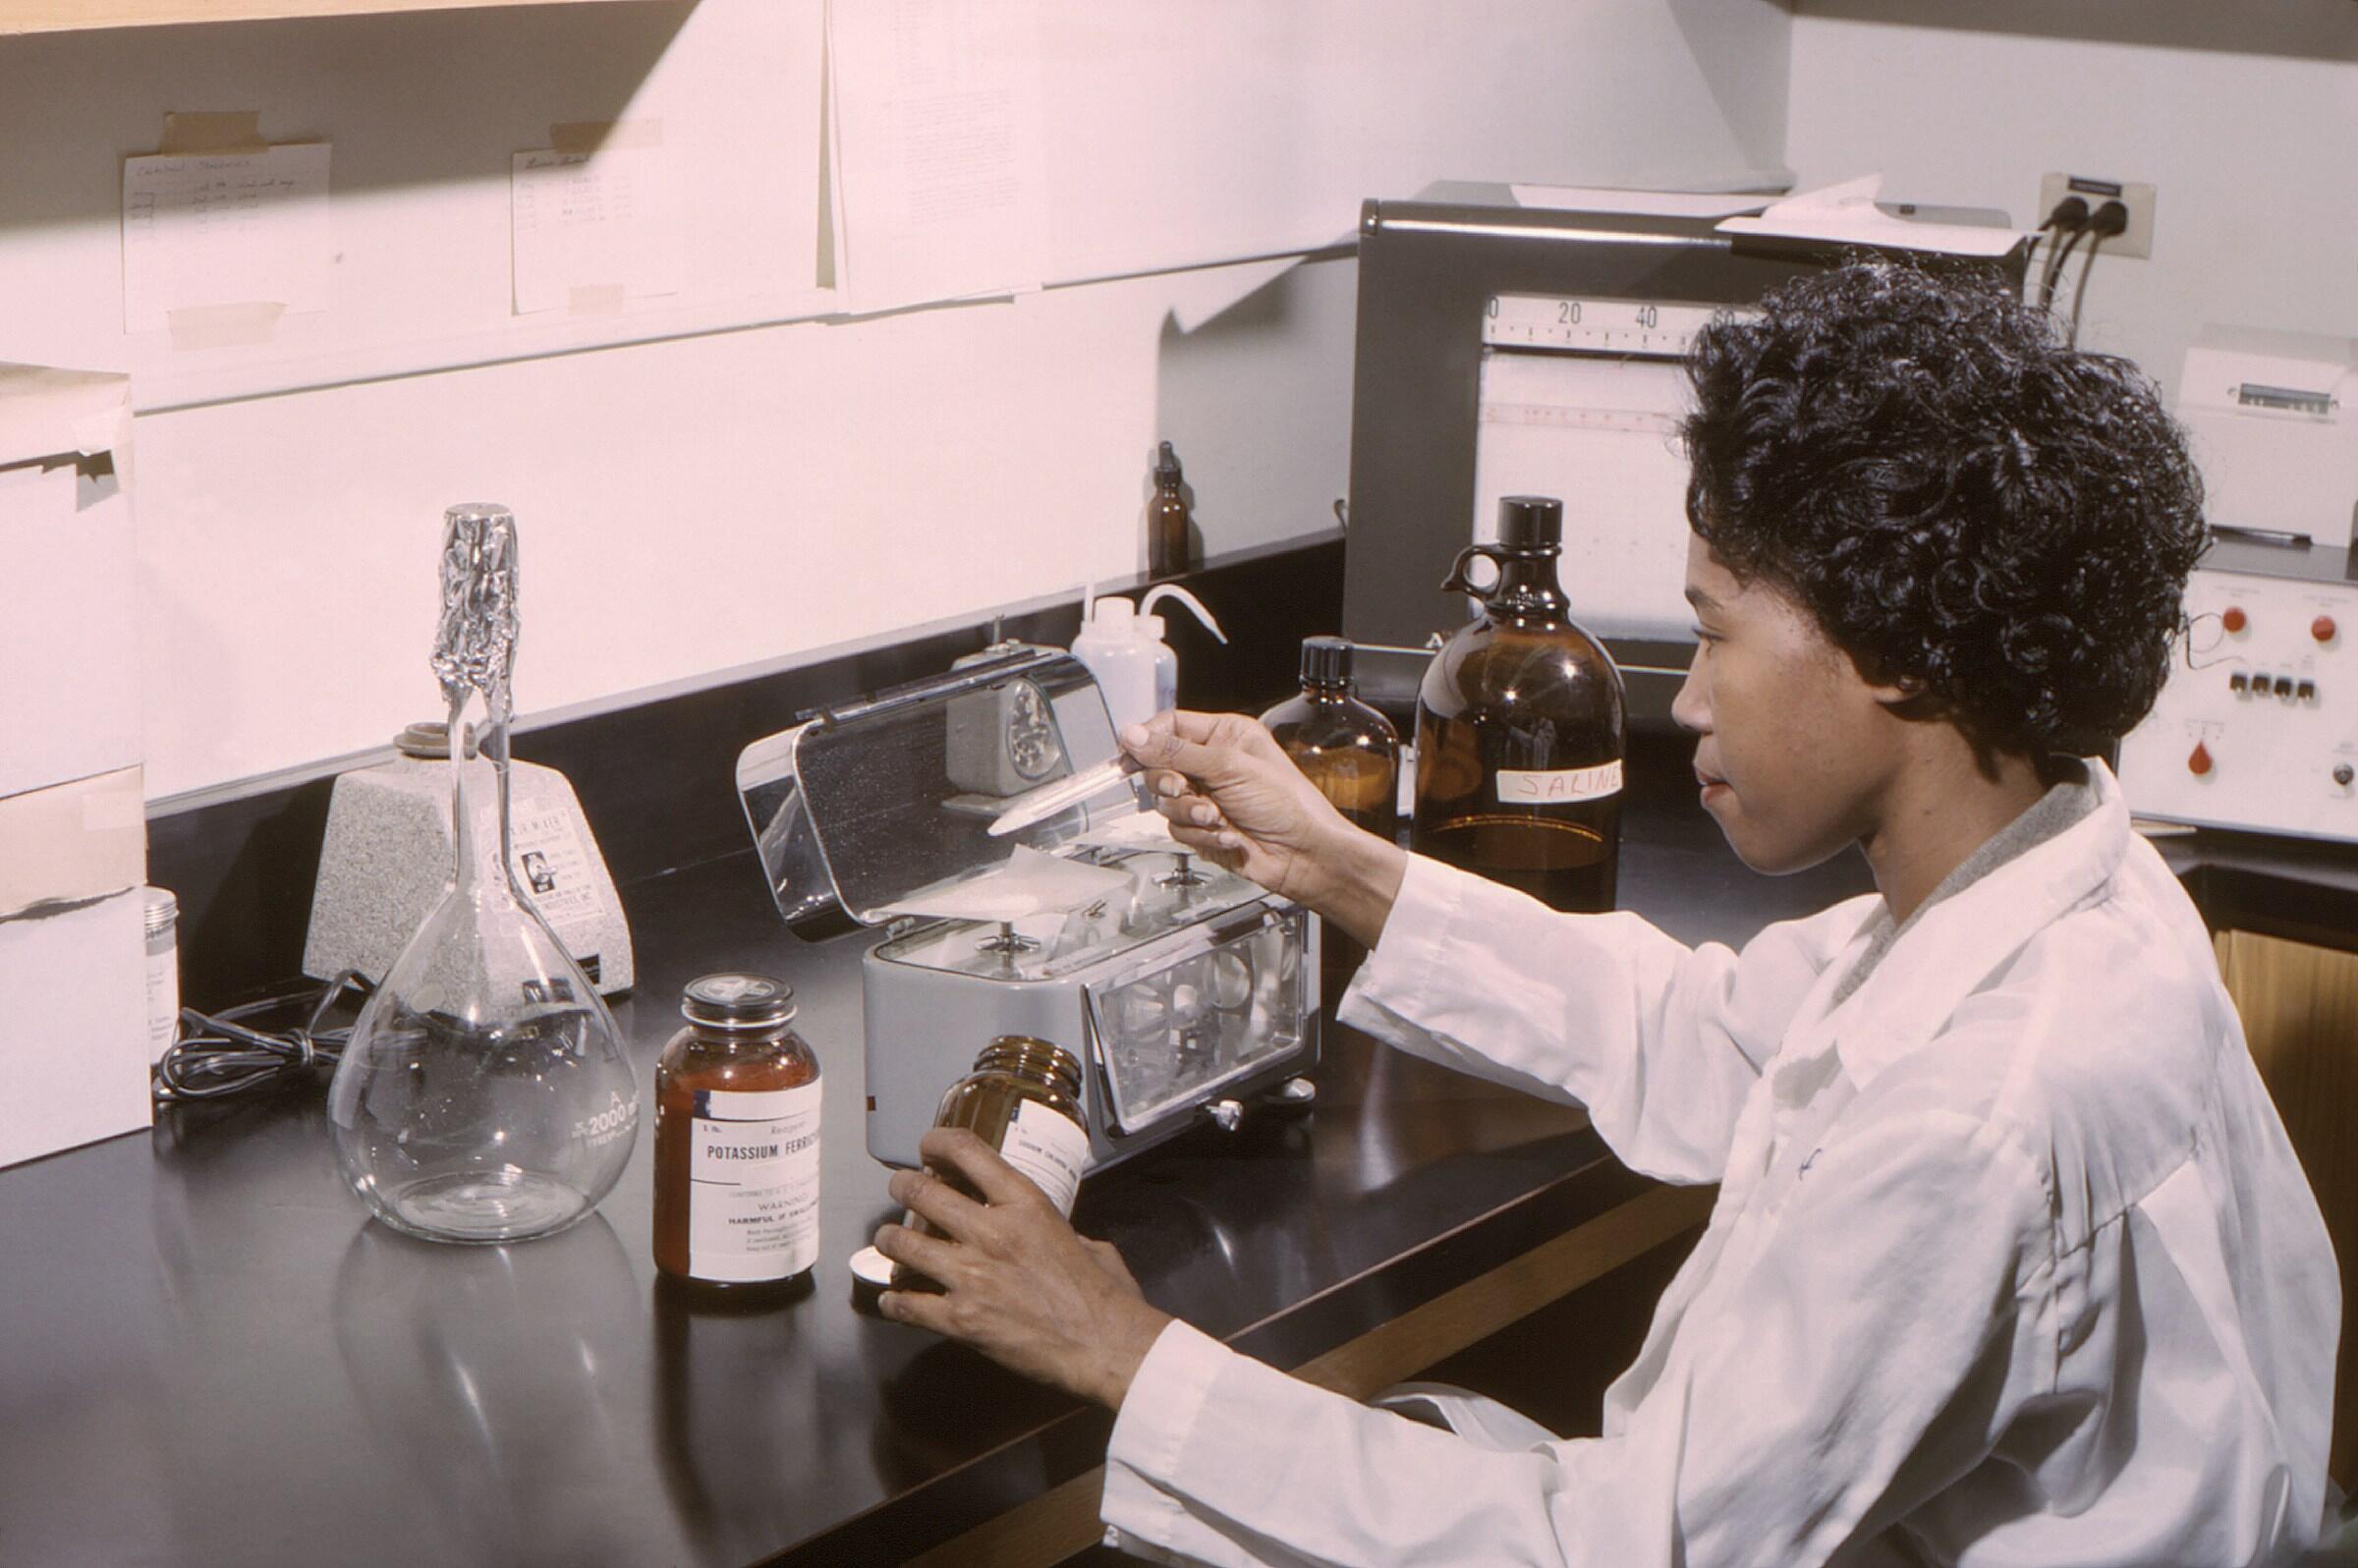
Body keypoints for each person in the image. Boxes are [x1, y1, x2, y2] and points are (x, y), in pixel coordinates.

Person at [870, 261, 2341, 1566]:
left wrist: (1123, 1348)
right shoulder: (2074, 889)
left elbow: (1631, 1549)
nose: (1685, 700)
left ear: (1892, 649)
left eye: (1711, 631)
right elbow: (1709, 1032)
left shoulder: (1981, 1115)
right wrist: (1338, 865)